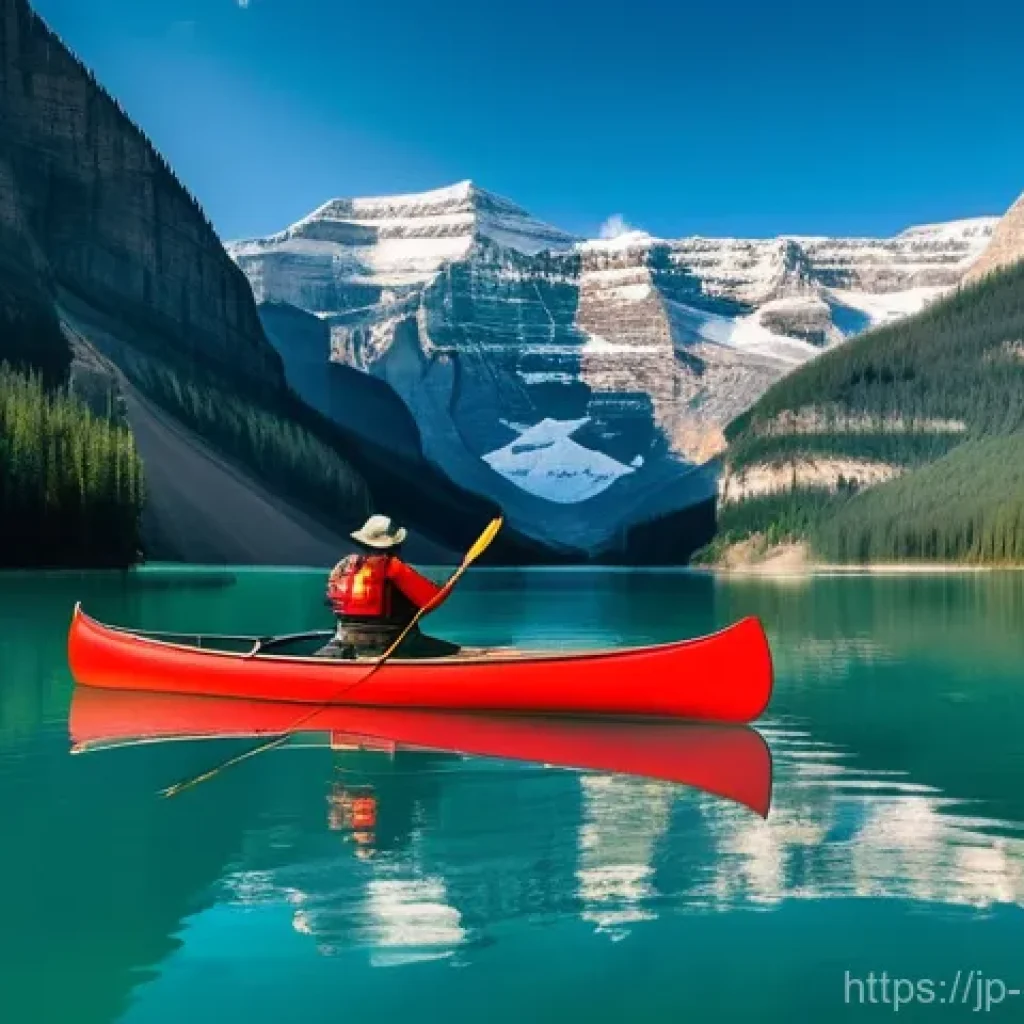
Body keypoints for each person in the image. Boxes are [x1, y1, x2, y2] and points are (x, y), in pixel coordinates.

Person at [317, 515, 460, 660]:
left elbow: (330, 601)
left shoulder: (343, 566)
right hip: (392, 643)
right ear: (395, 545)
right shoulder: (394, 568)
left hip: (346, 639)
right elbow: (431, 600)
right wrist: (451, 583)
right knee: (453, 651)